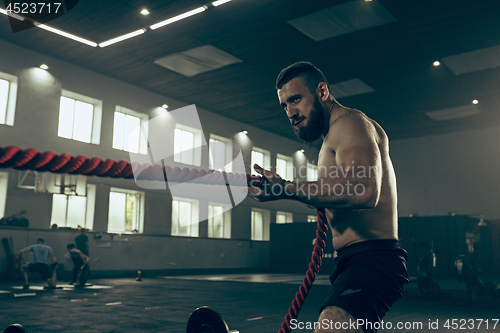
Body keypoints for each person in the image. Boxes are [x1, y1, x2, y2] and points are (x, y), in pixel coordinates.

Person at [247, 62, 408, 333]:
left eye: (295, 99)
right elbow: (336, 194)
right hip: (351, 260)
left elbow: (364, 191)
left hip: (374, 259)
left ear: (322, 91)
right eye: (284, 106)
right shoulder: (332, 137)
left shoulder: (349, 123)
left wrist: (286, 186)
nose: (290, 112)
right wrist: (281, 192)